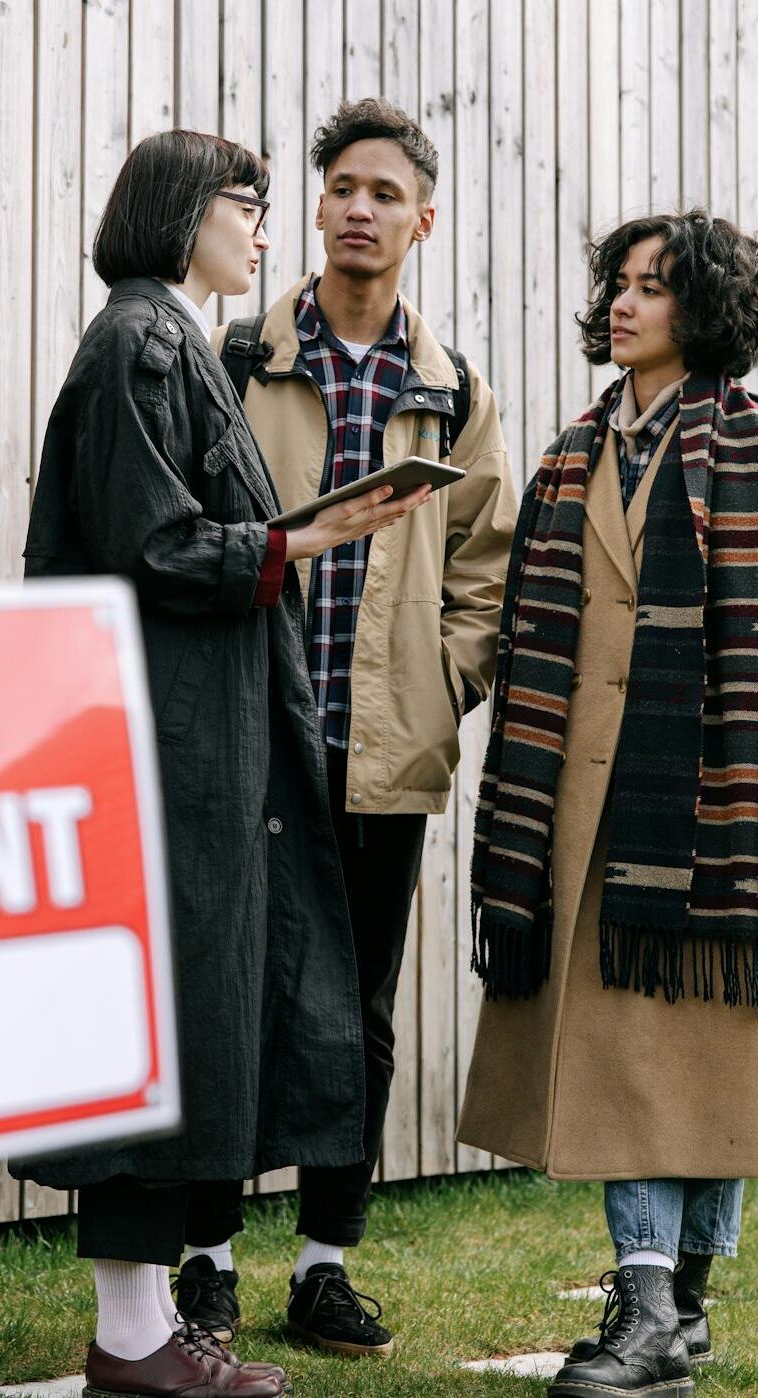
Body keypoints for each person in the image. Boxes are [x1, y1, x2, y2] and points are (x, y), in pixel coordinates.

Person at [9, 128, 433, 1398]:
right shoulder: (144, 339)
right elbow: (157, 546)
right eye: (247, 206)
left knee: (174, 1025)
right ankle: (133, 1344)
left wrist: (304, 532)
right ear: (187, 211)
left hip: (187, 739)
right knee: (157, 1023)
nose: (265, 228)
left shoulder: (165, 339)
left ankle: (140, 1336)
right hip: (167, 744)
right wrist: (301, 543)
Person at [172, 98, 517, 1359]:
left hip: (382, 756)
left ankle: (324, 1266)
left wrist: (445, 678)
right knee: (226, 999)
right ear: (318, 210)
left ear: (423, 219)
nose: (359, 208)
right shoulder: (230, 359)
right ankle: (203, 1260)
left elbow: (487, 564)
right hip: (250, 743)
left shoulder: (455, 388)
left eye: (386, 192)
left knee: (356, 1013)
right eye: (342, 188)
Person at [459, 209, 758, 1398]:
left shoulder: (744, 447)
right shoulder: (573, 451)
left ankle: (673, 1313)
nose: (627, 304)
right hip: (579, 805)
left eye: (656, 287)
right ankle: (650, 1309)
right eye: (619, 285)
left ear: (707, 309)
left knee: (704, 1062)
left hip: (710, 802)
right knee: (631, 1058)